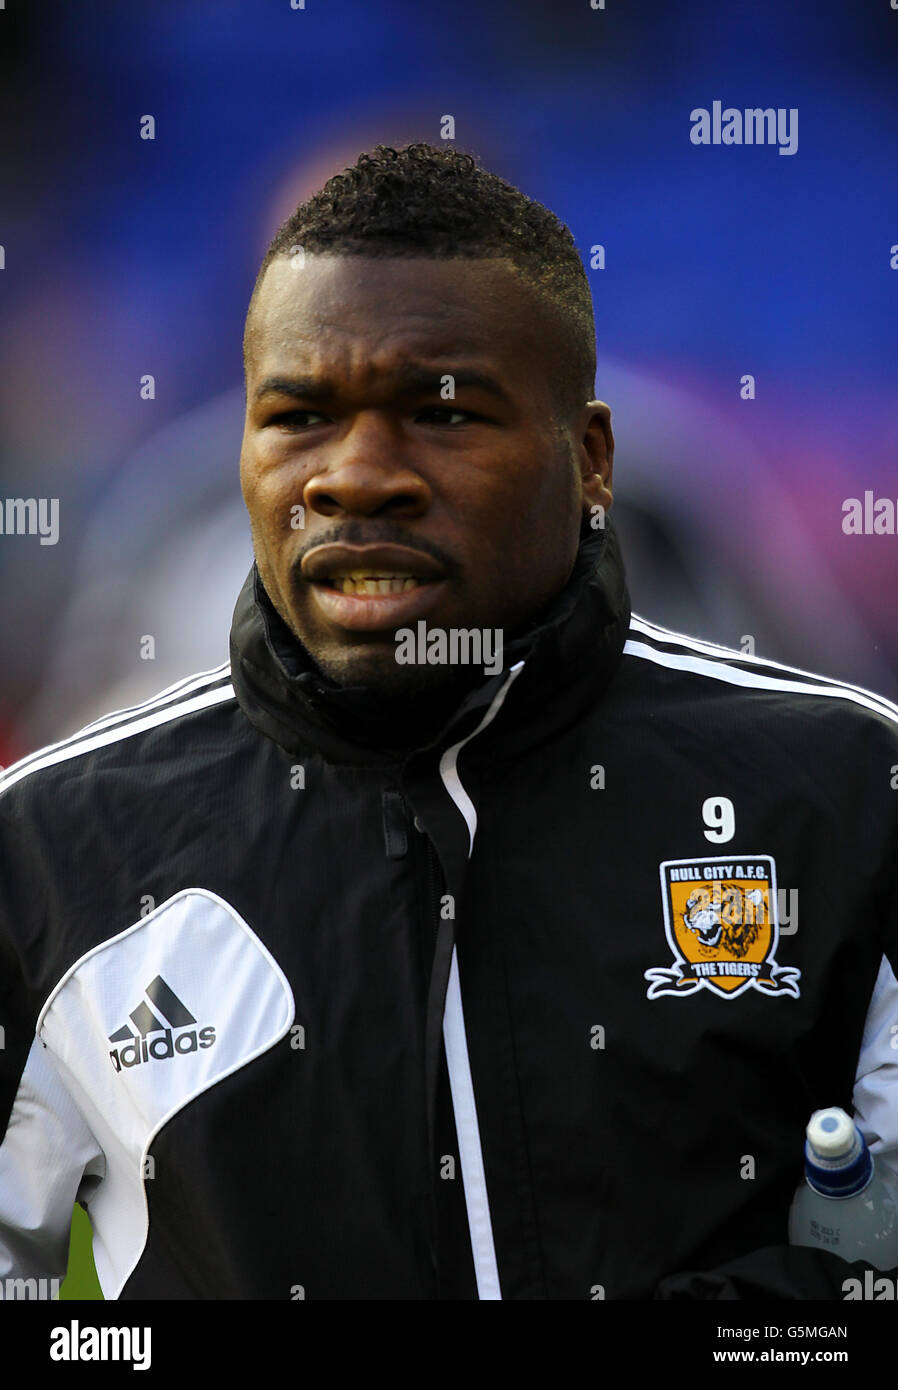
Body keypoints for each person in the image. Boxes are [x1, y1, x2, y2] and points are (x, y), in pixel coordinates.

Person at [0, 142, 896, 1301]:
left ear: (588, 458)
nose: (357, 475)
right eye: (299, 416)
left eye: (444, 413)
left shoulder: (846, 790)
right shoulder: (49, 854)